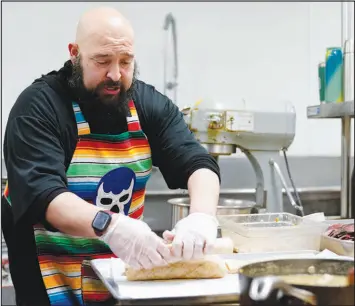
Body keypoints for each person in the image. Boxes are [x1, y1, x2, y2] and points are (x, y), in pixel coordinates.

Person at [1, 6, 221, 306]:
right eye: (102, 61)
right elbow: (45, 196)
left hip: (119, 281)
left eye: (126, 62)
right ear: (75, 53)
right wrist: (112, 227)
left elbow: (198, 163)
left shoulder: (148, 104)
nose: (115, 75)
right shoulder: (38, 108)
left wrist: (202, 217)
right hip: (49, 281)